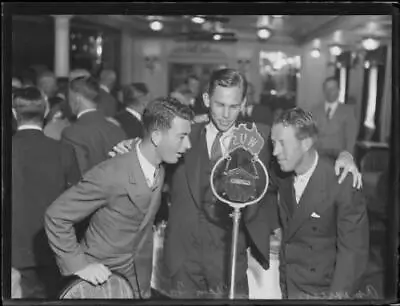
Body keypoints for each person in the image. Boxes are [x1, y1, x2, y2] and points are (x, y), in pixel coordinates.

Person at [110, 68, 363, 299]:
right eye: (219, 105)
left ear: (243, 103)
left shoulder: (261, 136)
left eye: (234, 106)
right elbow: (151, 144)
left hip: (231, 259)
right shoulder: (184, 133)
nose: (226, 114)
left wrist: (345, 156)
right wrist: (131, 145)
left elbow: (302, 147)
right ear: (207, 100)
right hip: (183, 259)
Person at [45, 97, 194, 299]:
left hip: (137, 282)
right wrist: (79, 265)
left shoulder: (158, 163)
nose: (187, 145)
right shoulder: (110, 174)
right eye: (182, 137)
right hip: (101, 284)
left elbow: (142, 148)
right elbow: (56, 215)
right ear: (157, 137)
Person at [270, 108, 369, 299]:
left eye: (282, 143)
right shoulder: (281, 172)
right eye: (273, 142)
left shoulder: (343, 182)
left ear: (306, 143)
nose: (275, 152)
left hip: (323, 292)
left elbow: (353, 255)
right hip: (287, 286)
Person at [12, 87, 81, 298]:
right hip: (53, 247)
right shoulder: (63, 151)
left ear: (14, 114)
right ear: (46, 111)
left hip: (13, 250)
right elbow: (78, 202)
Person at [61, 75, 127, 175]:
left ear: (77, 99)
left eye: (69, 98)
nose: (68, 103)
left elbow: (77, 175)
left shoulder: (71, 133)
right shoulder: (117, 129)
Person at [310, 77, 358, 161]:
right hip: (318, 156)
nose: (330, 92)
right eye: (327, 88)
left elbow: (351, 138)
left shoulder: (348, 111)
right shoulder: (315, 110)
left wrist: (348, 158)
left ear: (338, 90)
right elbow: (310, 134)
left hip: (339, 157)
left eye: (333, 88)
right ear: (323, 90)